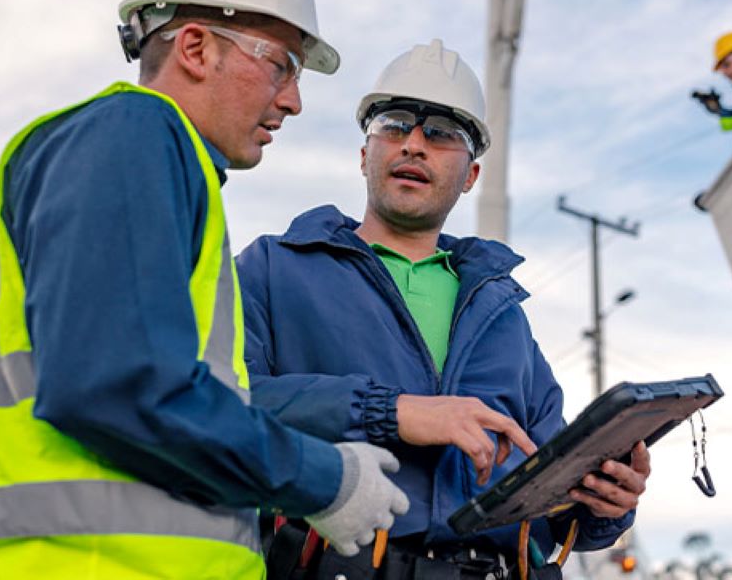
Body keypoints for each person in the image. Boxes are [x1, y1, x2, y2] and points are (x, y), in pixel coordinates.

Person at [0, 0, 408, 580]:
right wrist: (322, 478)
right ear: (196, 48)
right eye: (282, 65)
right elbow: (120, 385)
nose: (293, 101)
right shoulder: (133, 133)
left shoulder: (165, 169)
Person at [237, 39, 651, 579]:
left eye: (442, 134)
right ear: (365, 154)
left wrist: (605, 505)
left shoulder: (502, 313)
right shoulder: (274, 268)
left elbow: (550, 489)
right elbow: (219, 405)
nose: (413, 144)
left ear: (472, 176)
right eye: (394, 124)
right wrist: (391, 412)